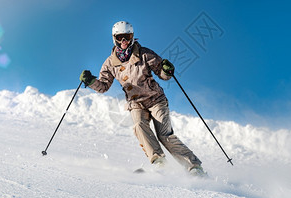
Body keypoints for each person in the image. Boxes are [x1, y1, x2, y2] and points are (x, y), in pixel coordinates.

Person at [80, 21, 205, 176]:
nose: (124, 41)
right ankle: (159, 162)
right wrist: (91, 81)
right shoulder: (110, 64)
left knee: (164, 135)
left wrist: (167, 70)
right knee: (139, 125)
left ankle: (194, 167)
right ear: (114, 39)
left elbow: (162, 74)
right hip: (135, 103)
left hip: (155, 99)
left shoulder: (144, 53)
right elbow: (103, 86)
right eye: (120, 37)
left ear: (132, 36)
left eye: (127, 36)